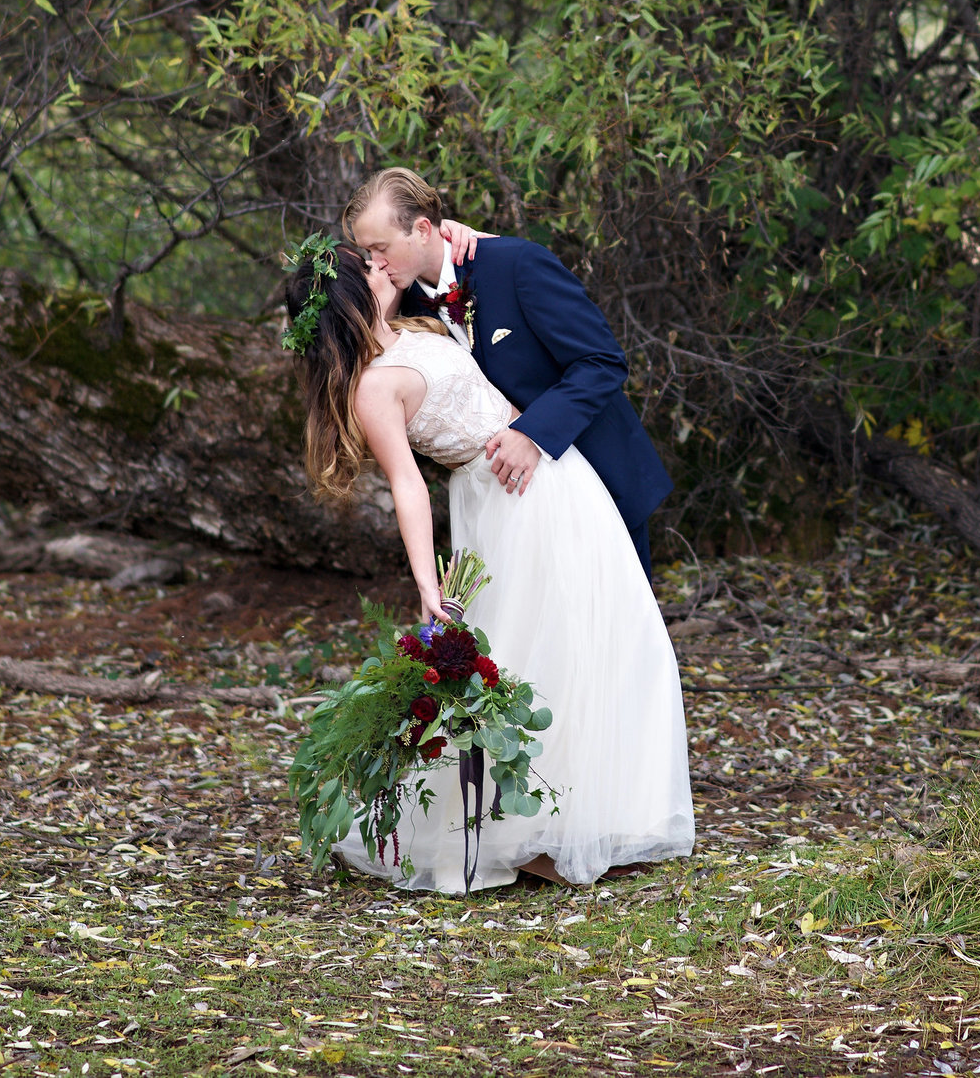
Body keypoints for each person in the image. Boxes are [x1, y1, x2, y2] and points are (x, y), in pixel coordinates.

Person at [279, 234, 693, 893]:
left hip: (552, 477)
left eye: (378, 254)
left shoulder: (413, 317)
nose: (381, 263)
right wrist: (426, 581)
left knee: (610, 635)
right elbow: (408, 486)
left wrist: (463, 230)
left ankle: (601, 816)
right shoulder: (372, 387)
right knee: (546, 651)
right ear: (350, 300)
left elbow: (438, 251)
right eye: (367, 266)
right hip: (504, 500)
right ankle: (528, 835)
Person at [342, 167, 672, 575]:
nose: (375, 262)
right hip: (511, 510)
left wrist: (532, 433)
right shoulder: (404, 310)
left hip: (599, 474)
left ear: (423, 229)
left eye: (381, 247)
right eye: (367, 252)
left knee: (616, 629)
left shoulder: (514, 264)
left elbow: (601, 361)